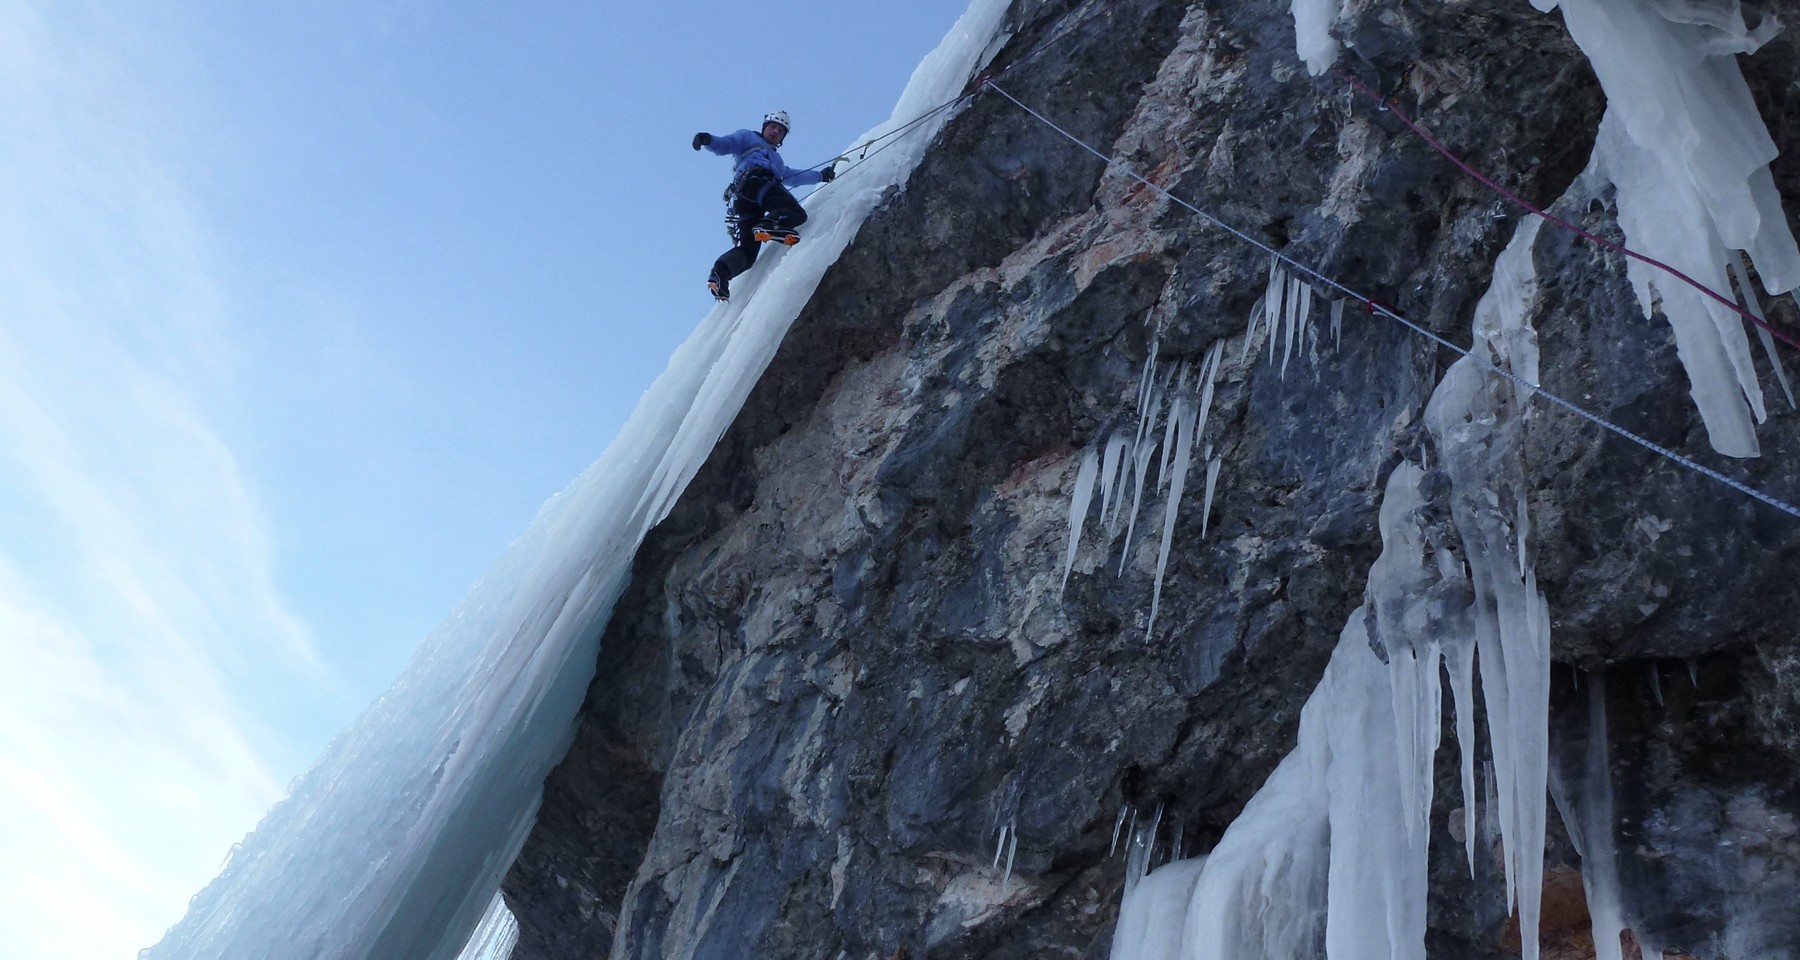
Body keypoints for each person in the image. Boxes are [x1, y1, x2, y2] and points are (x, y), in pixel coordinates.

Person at [692, 110, 836, 301]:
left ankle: (720, 275)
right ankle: (770, 225)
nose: (775, 132)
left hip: (745, 198)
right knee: (795, 213)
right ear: (764, 127)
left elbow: (792, 176)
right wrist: (707, 139)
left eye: (780, 131)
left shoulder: (776, 160)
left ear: (782, 138)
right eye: (772, 127)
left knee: (748, 253)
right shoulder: (747, 137)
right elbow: (725, 144)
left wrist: (820, 176)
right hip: (756, 180)